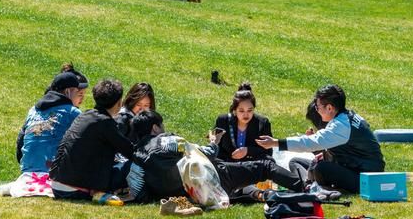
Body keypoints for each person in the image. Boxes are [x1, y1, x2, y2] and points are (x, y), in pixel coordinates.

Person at [126, 110, 303, 203]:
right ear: (155, 128)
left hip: (190, 196)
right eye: (161, 126)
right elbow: (204, 155)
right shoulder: (166, 141)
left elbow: (141, 195)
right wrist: (214, 142)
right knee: (265, 166)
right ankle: (306, 187)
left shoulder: (136, 160)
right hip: (212, 180)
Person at [256, 84, 385, 193]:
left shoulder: (340, 126)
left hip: (365, 177)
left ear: (329, 108)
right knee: (295, 161)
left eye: (318, 107)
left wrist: (275, 143)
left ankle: (312, 185)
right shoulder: (347, 117)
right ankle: (307, 183)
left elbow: (311, 142)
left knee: (321, 168)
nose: (317, 110)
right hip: (358, 168)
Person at [49, 79, 134, 201]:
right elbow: (130, 151)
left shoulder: (84, 115)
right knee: (127, 166)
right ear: (119, 103)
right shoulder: (105, 123)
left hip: (57, 186)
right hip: (76, 190)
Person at [16, 71, 87, 173]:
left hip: (26, 169)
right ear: (68, 92)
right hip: (51, 172)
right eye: (78, 93)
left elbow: (20, 143)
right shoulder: (72, 112)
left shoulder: (33, 110)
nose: (82, 98)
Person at [214, 83, 272, 162]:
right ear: (234, 110)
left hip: (252, 165)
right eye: (241, 111)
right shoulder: (223, 121)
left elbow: (268, 152)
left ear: (254, 109)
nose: (246, 115)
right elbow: (216, 148)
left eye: (250, 110)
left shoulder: (262, 123)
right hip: (227, 165)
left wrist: (248, 151)